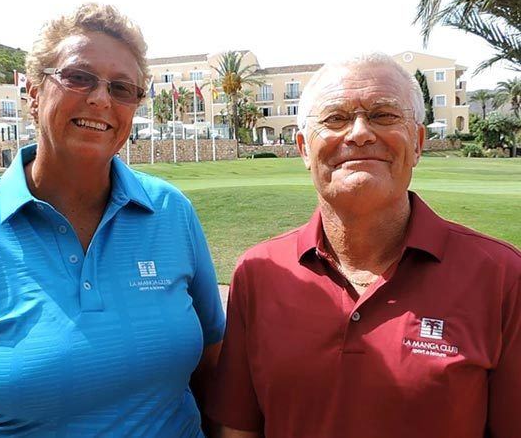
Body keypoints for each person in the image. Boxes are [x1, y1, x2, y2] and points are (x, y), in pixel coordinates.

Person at [0, 4, 225, 438]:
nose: (101, 98)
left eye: (122, 88)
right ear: (32, 92)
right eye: (78, 77)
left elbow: (214, 367)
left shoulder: (171, 212)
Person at [207, 53, 521, 438]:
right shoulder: (259, 273)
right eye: (335, 118)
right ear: (304, 148)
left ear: (418, 143)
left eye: (384, 115)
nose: (359, 133)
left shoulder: (501, 274)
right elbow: (238, 428)